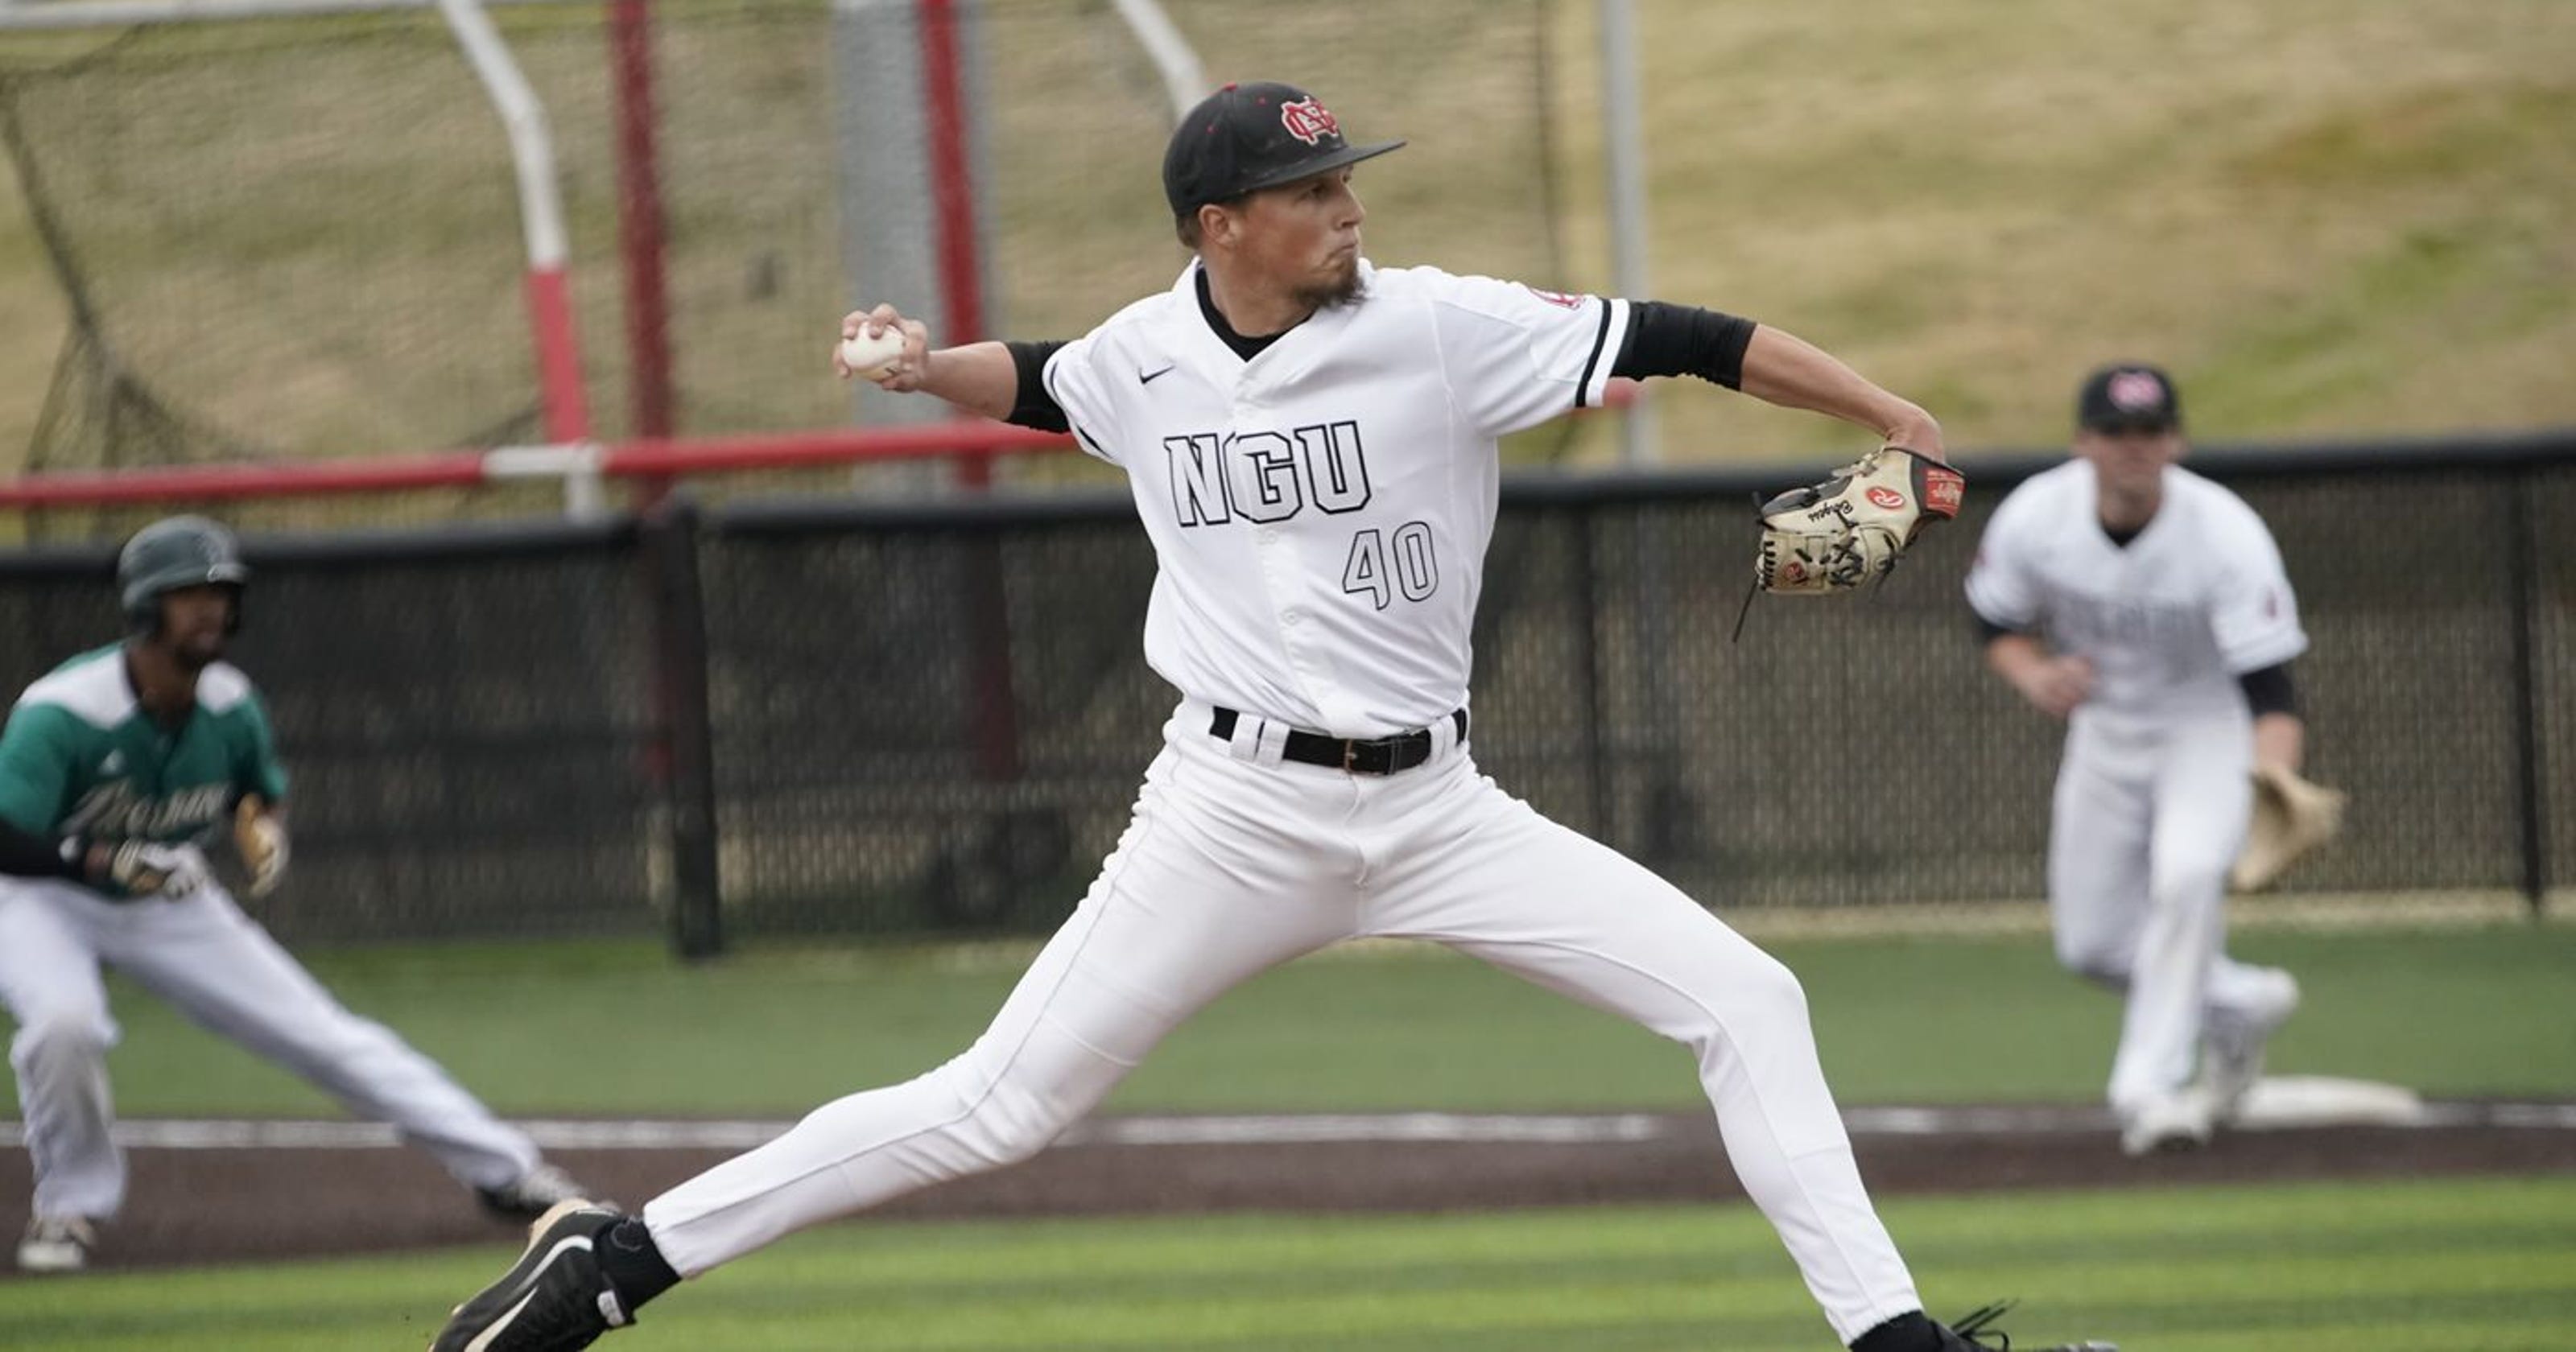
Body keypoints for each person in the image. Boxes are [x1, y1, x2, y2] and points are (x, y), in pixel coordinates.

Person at [427, 80, 2034, 1352]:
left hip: (1438, 815)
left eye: (1344, 182)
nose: (1349, 208)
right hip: (1230, 813)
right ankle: (613, 1269)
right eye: (1313, 191)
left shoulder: (1441, 328)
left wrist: (1884, 411)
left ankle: (1894, 1345)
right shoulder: (1149, 353)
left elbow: (1687, 339)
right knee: (997, 1108)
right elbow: (1058, 379)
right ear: (1222, 225)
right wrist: (925, 372)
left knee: (1748, 1002)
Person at [0, 515, 592, 1272]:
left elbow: (257, 794)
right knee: (63, 1024)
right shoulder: (66, 712)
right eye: (189, 596)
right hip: (41, 895)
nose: (211, 611)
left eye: (221, 595)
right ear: (146, 607)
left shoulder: (229, 702)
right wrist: (103, 859)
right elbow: (9, 838)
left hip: (166, 893)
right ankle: (70, 1206)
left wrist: (262, 830)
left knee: (323, 1032)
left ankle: (508, 1174)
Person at [1965, 364, 2310, 1156]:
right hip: (2103, 730)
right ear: (2082, 441)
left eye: (2148, 432)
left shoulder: (2224, 534)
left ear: (2175, 441)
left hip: (2205, 728)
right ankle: (2239, 1004)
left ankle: (2146, 1089)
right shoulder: (2036, 517)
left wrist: (2273, 787)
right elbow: (1991, 621)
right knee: (2088, 945)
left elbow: (2270, 688)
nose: (2132, 448)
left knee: (2185, 878)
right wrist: (2031, 673)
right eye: (2114, 433)